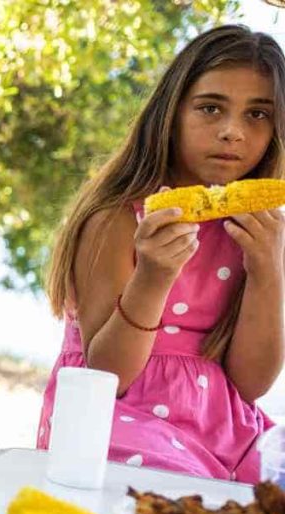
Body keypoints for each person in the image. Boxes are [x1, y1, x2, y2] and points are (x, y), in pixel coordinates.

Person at [40, 25, 285, 483]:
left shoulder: (256, 230)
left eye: (258, 115)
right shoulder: (116, 218)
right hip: (114, 418)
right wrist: (153, 276)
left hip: (223, 427)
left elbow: (251, 384)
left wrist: (268, 271)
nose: (232, 132)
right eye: (210, 108)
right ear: (171, 113)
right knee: (173, 486)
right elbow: (105, 374)